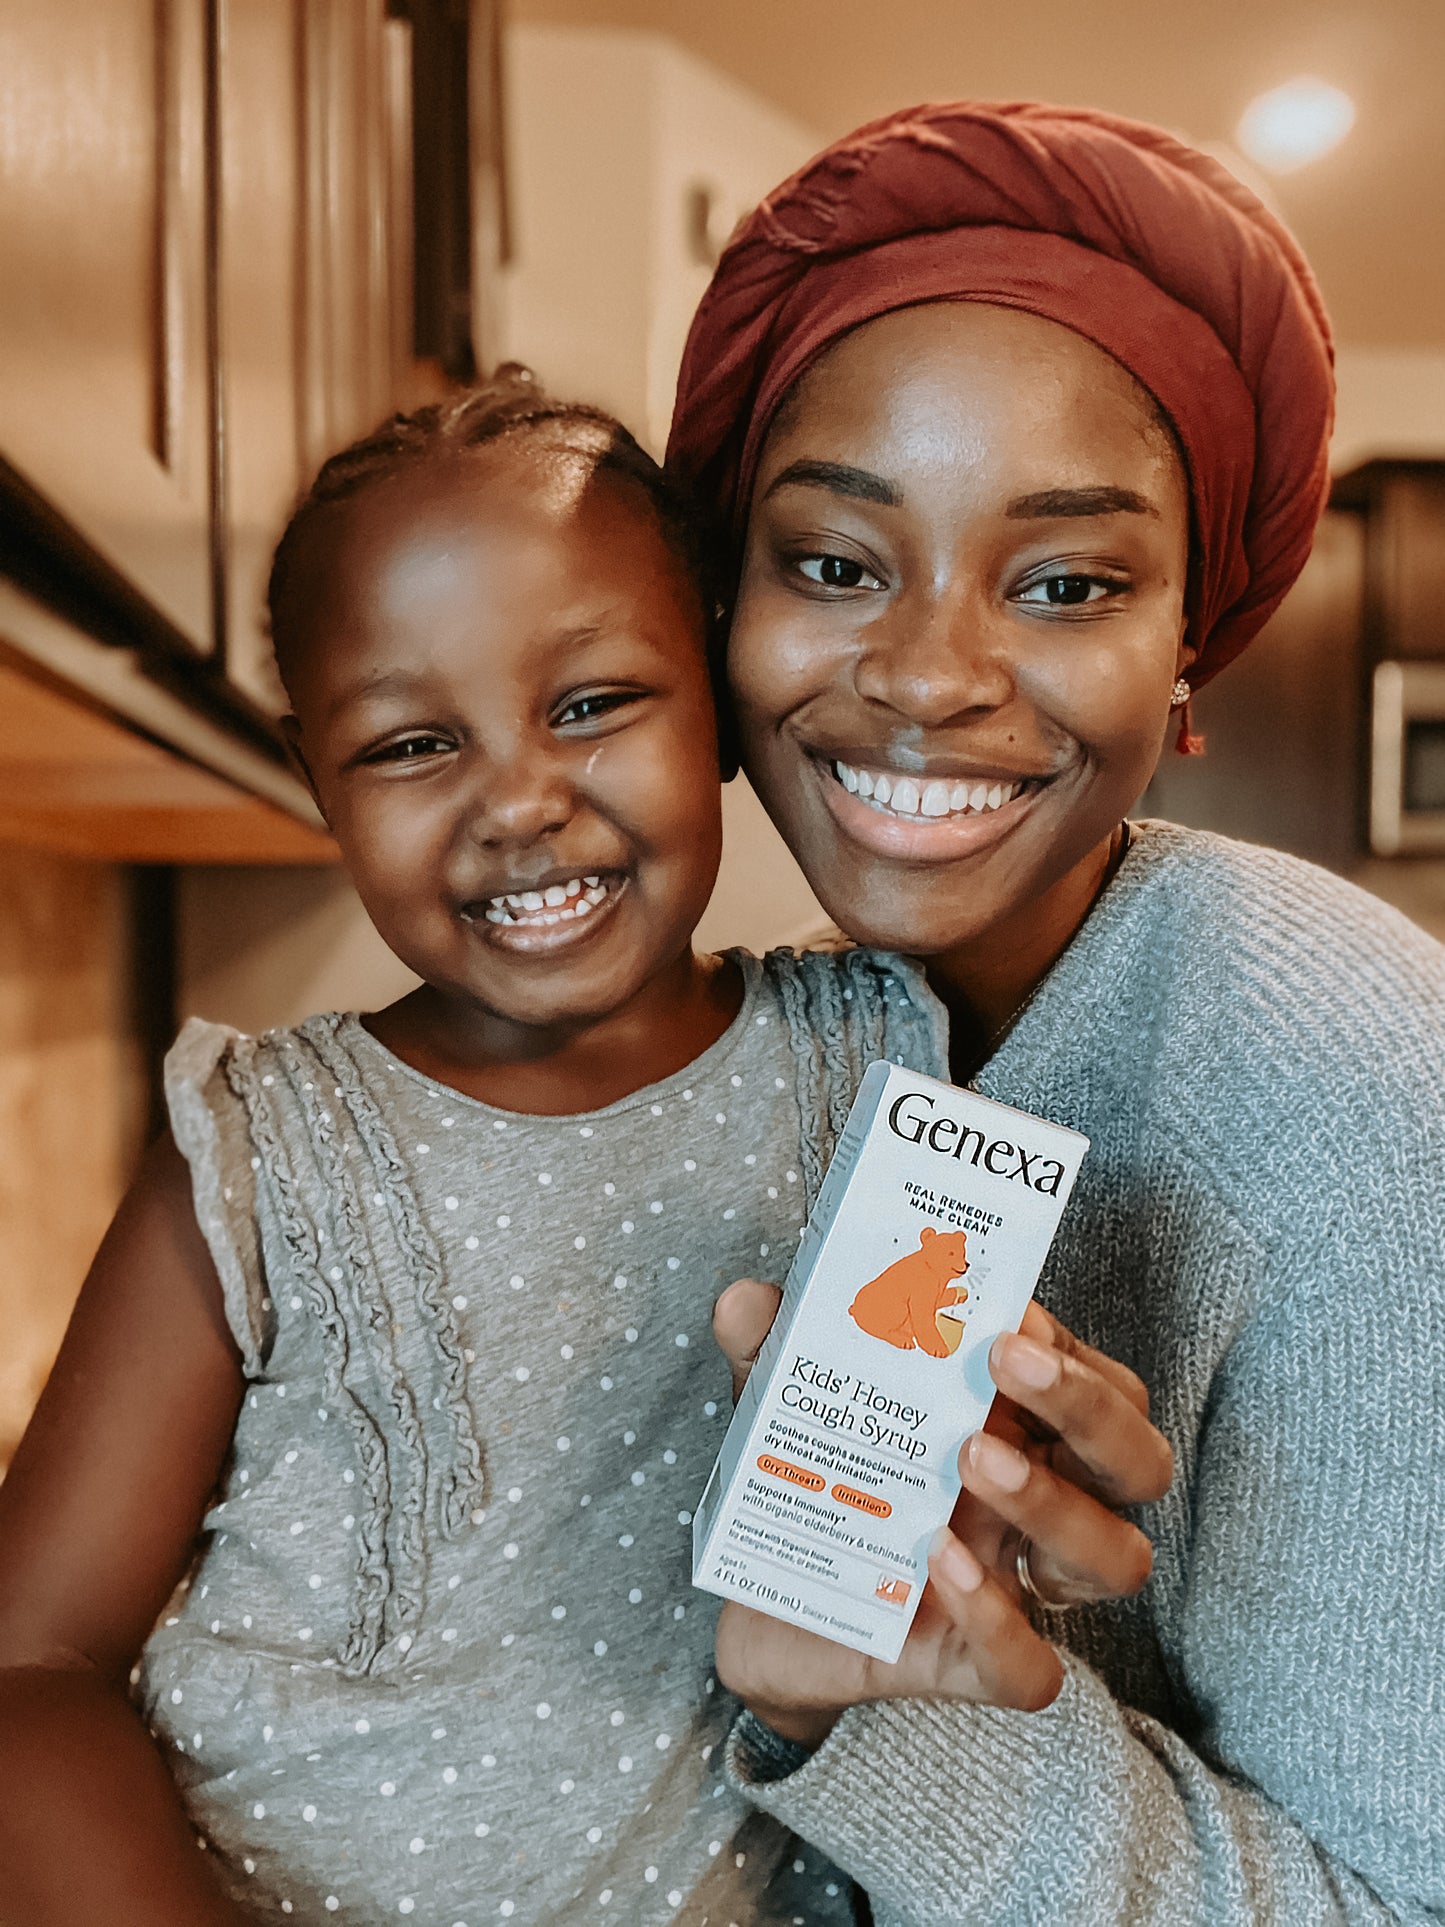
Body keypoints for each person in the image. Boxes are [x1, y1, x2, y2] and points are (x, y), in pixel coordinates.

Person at [0, 374, 943, 1924]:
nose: (517, 799)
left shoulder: (883, 1065)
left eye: (590, 705)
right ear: (319, 779)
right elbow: (32, 1665)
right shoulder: (260, 1148)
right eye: (410, 743)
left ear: (715, 695)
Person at [667, 102, 1445, 1923]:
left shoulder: (1363, 1094)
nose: (927, 673)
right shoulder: (805, 1021)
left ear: (1189, 645)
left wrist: (874, 1704)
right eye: (835, 564)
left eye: (1068, 582)